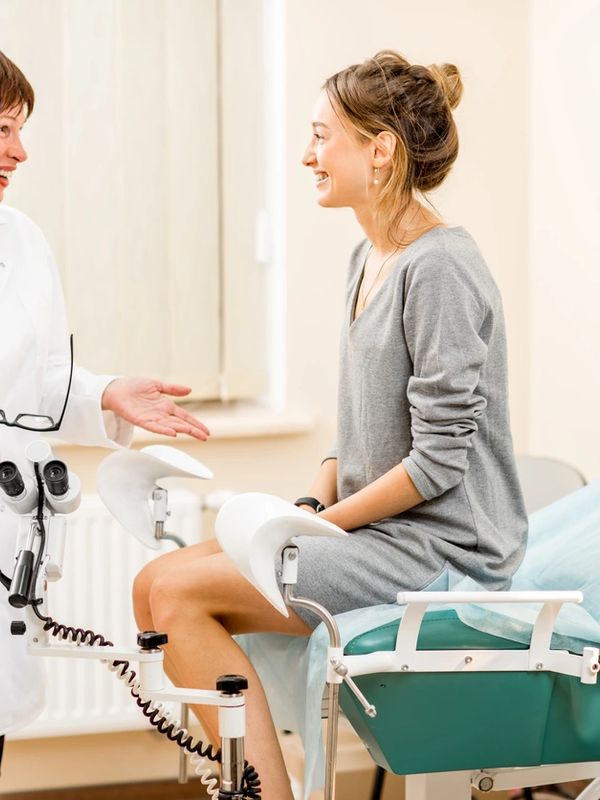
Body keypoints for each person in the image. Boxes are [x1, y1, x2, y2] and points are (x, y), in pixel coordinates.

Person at [134, 50, 527, 799]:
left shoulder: (440, 267)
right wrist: (305, 509)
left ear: (380, 151)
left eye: (322, 136)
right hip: (378, 536)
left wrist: (321, 530)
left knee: (180, 597)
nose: (306, 155)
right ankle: (249, 785)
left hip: (442, 556)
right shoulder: (368, 256)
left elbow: (438, 463)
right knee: (153, 583)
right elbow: (358, 436)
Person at [0, 50, 210, 757]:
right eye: (2, 129)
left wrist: (105, 394)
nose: (20, 151)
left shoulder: (22, 241)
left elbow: (36, 385)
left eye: (21, 129)